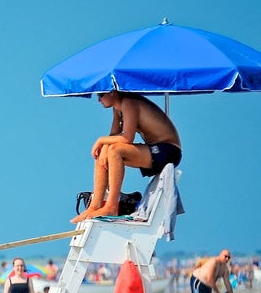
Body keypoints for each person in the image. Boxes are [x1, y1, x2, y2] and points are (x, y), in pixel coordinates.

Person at [73, 90, 182, 223]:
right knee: (104, 151)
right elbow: (113, 136)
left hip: (168, 151)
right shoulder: (117, 108)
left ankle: (111, 206)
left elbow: (127, 138)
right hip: (155, 150)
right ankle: (94, 206)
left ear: (112, 92)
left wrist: (100, 140)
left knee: (115, 150)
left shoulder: (129, 102)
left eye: (101, 95)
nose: (98, 100)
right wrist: (103, 146)